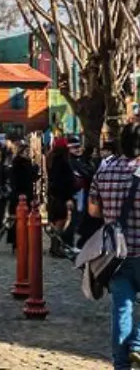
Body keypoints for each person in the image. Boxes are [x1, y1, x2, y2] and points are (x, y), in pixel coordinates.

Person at [89, 122, 140, 370]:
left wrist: (112, 213)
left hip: (115, 253)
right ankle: (138, 344)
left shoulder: (105, 168)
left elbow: (92, 209)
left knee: (121, 309)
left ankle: (121, 366)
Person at [47, 138, 76, 256]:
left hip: (55, 195)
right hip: (61, 196)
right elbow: (62, 182)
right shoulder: (61, 162)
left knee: (57, 222)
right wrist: (67, 197)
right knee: (60, 222)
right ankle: (56, 247)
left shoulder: (52, 160)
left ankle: (55, 246)